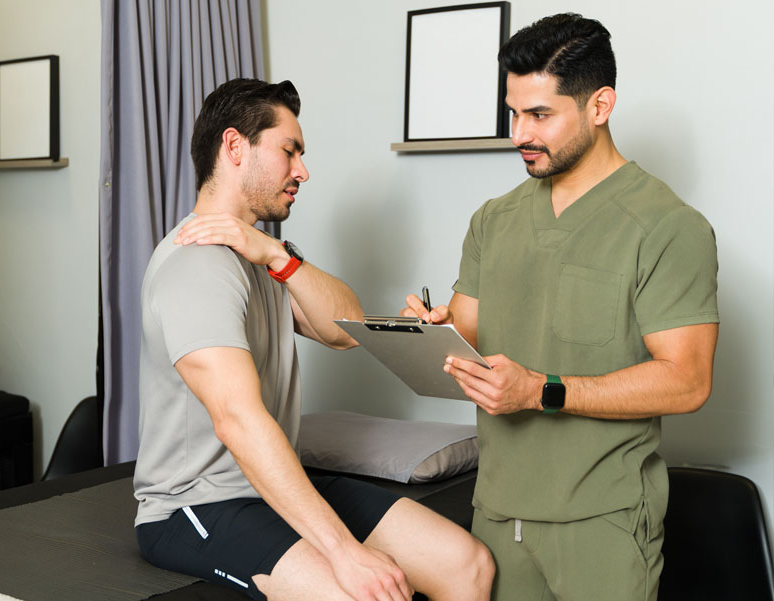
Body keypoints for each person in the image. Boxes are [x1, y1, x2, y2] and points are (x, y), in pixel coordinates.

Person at [134, 77, 494, 601]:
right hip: (197, 503)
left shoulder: (263, 255)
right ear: (235, 147)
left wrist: (279, 257)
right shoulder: (197, 264)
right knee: (361, 593)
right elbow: (237, 418)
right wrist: (346, 554)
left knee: (468, 563)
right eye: (289, 151)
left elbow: (344, 331)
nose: (302, 170)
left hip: (270, 487)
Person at [402, 13, 718, 601]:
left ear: (600, 106)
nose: (520, 132)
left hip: (603, 521)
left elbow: (688, 381)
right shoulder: (493, 220)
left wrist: (542, 391)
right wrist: (429, 335)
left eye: (540, 115)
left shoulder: (668, 226)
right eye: (513, 112)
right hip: (495, 513)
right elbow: (466, 333)